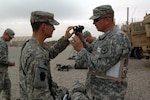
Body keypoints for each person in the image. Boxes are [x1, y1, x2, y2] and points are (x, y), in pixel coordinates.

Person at [71, 5, 131, 100]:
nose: (93, 23)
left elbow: (100, 66)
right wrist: (82, 40)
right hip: (100, 93)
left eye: (96, 20)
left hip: (109, 94)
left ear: (107, 19)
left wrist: (80, 50)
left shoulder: (117, 38)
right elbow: (92, 50)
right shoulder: (105, 37)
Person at [19, 11, 74, 100]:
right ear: (44, 27)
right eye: (52, 25)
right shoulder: (36, 55)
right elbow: (40, 95)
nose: (54, 29)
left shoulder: (33, 44)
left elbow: (51, 53)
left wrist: (65, 38)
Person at [0, 28, 15, 100]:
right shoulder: (2, 43)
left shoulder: (2, 42)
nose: (10, 39)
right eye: (10, 37)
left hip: (3, 71)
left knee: (7, 86)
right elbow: (2, 59)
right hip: (1, 71)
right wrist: (10, 63)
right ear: (5, 34)